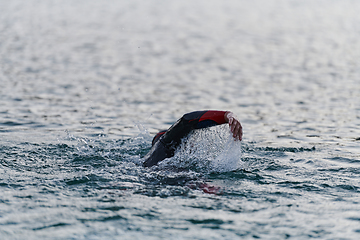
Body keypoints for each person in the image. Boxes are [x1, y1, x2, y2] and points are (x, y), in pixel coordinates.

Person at [143, 110, 243, 167]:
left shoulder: (148, 160)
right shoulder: (166, 144)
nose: (192, 142)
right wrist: (227, 115)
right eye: (187, 139)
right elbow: (187, 120)